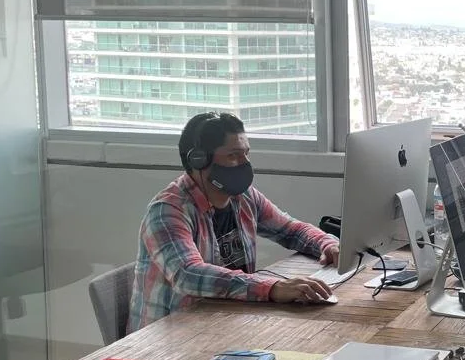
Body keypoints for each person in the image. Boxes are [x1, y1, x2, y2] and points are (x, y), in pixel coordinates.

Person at [127, 111, 340, 332]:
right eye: (234, 155)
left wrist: (327, 244)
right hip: (167, 340)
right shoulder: (167, 211)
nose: (244, 163)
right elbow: (188, 275)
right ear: (199, 160)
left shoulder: (244, 197)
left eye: (246, 153)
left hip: (225, 322)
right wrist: (273, 288)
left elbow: (291, 230)